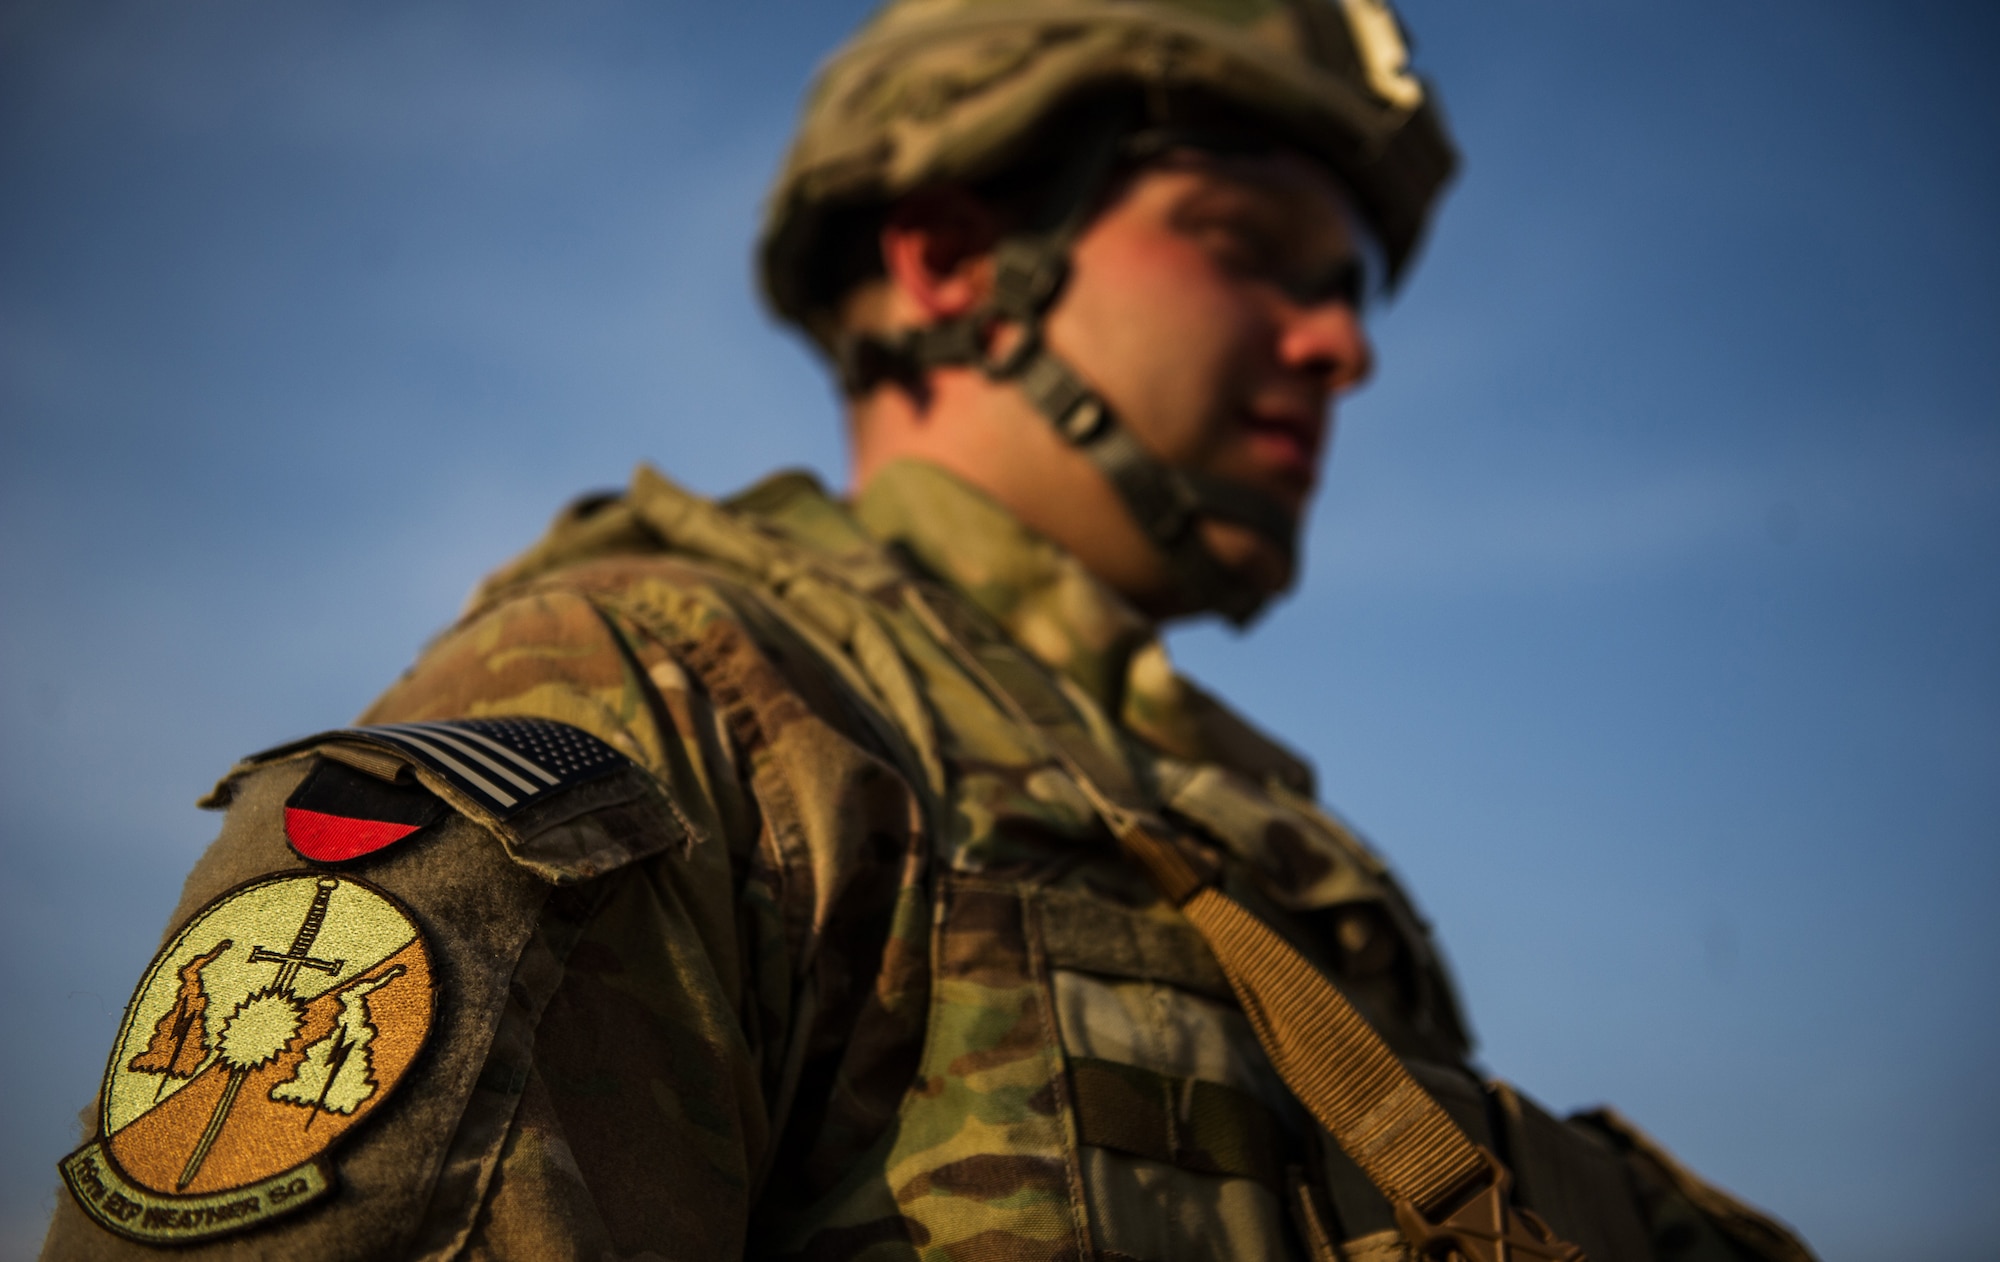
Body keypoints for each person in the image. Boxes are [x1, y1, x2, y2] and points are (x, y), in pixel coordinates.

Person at [42, 2, 1819, 1259]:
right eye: (1252, 243)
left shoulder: (1249, 837)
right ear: (955, 262)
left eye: (1348, 288)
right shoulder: (659, 710)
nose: (1338, 343)